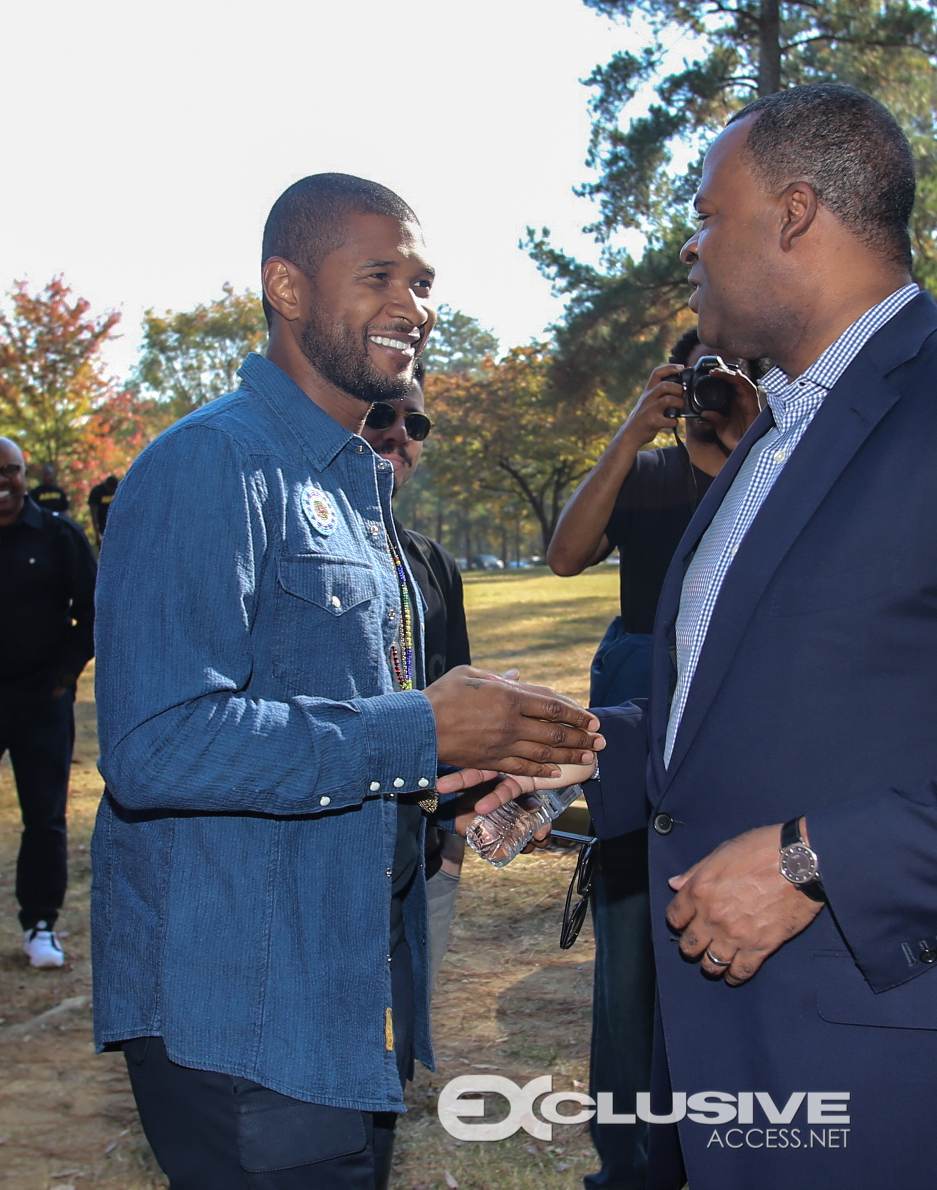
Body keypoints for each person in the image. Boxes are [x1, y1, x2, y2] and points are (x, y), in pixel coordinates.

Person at [465, 83, 937, 1190]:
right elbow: (755, 706)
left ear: (796, 214)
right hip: (736, 1064)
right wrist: (563, 760)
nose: (690, 244)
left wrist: (817, 862)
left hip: (908, 1080)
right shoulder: (769, 437)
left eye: (710, 214)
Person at [91, 173, 602, 1190]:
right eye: (380, 275)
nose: (414, 305)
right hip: (243, 1011)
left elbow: (329, 715)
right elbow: (156, 745)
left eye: (422, 280)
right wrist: (421, 727)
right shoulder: (210, 465)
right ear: (286, 285)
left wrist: (467, 761)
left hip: (341, 994)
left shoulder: (346, 482)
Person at [547, 332, 760, 1190]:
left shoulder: (779, 466)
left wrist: (757, 423)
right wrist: (634, 431)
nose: (715, 384)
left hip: (744, 726)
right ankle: (627, 1168)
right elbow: (565, 555)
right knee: (631, 960)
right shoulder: (651, 474)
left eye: (733, 367)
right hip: (646, 724)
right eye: (700, 367)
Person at [358, 359, 470, 995]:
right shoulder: (288, 541)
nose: (400, 434)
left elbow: (458, 711)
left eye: (416, 422)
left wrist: (450, 839)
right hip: (332, 843)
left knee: (397, 1042)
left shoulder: (431, 562)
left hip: (421, 850)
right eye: (382, 416)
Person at [0, 438, 96, 969]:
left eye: (10, 471)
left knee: (44, 817)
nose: (3, 481)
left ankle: (41, 924)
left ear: (23, 475)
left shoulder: (59, 535)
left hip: (41, 701)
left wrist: (64, 677)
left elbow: (92, 611)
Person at [87, 473, 117, 545]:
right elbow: (94, 513)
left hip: (116, 527)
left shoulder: (118, 492)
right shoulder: (97, 492)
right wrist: (97, 532)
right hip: (102, 526)